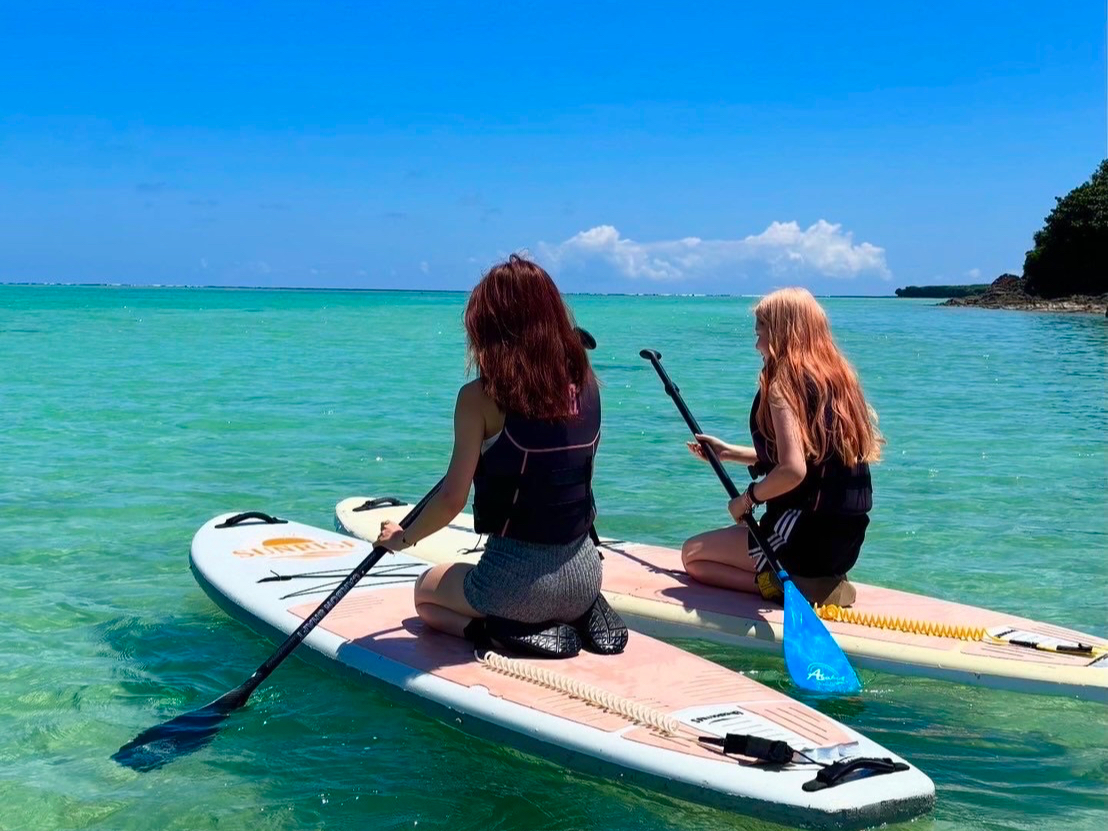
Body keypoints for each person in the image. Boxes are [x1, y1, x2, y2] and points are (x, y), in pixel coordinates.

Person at [374, 255, 625, 657]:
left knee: (425, 593)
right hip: (586, 574)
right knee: (553, 583)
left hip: (515, 589)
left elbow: (452, 499)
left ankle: (497, 631)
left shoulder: (478, 399)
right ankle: (578, 615)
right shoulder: (587, 383)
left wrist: (402, 538)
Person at [681, 287, 882, 607]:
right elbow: (811, 458)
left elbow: (792, 469)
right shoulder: (840, 379)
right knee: (706, 554)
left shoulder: (783, 385)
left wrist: (746, 500)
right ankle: (818, 580)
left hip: (802, 540)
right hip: (846, 544)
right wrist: (728, 453)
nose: (757, 343)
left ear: (781, 332)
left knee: (693, 556)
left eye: (760, 332)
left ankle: (792, 586)